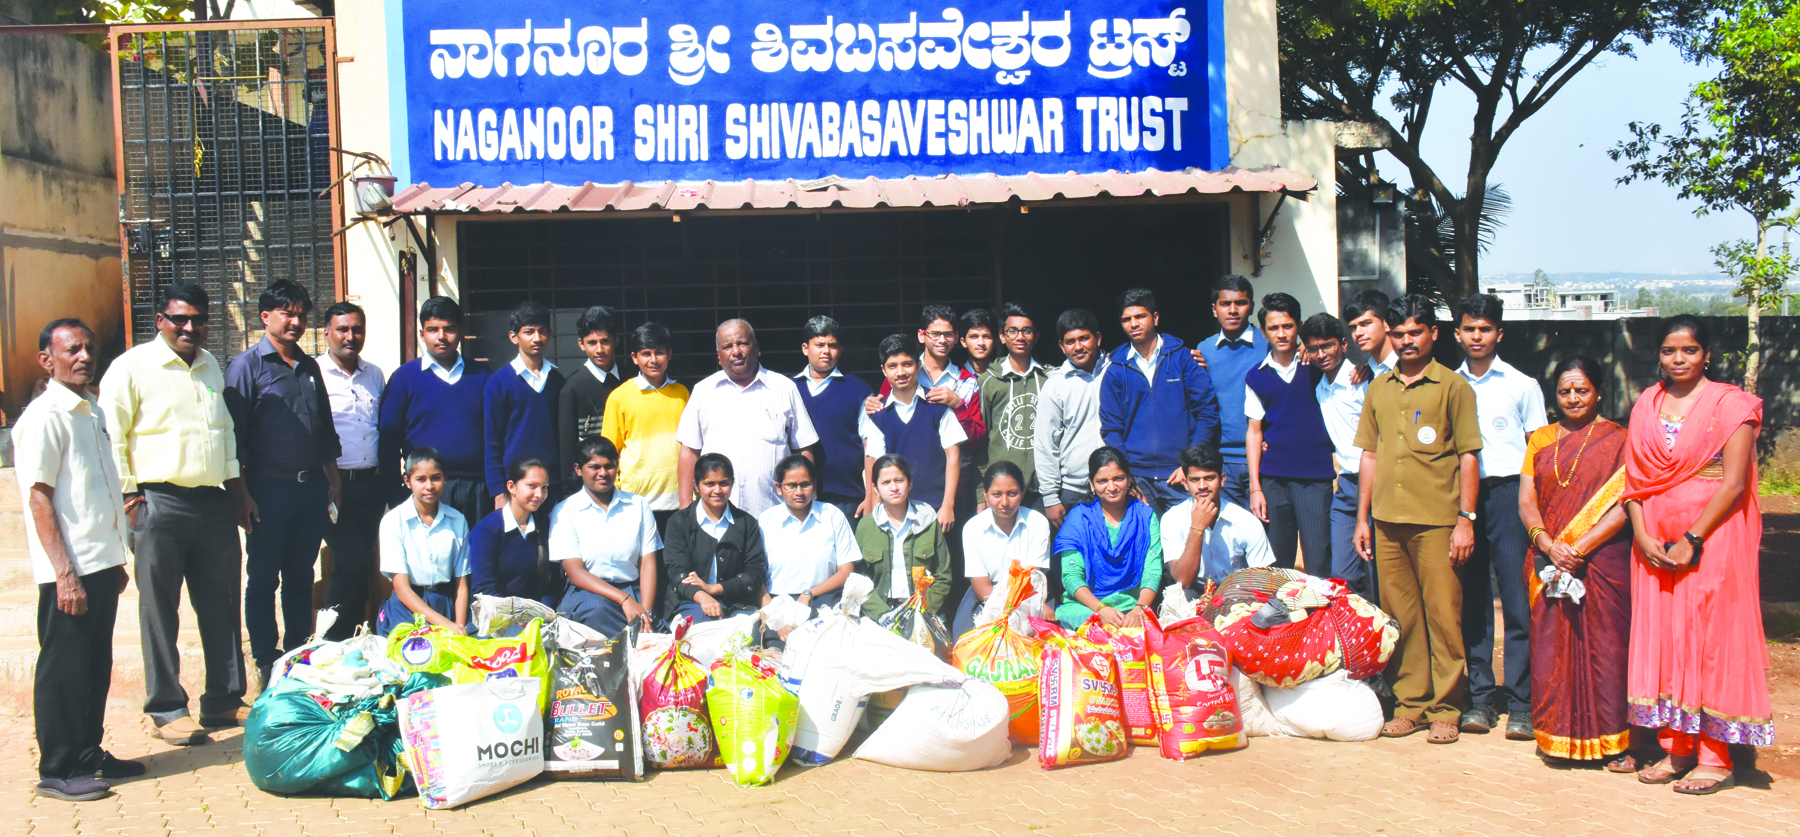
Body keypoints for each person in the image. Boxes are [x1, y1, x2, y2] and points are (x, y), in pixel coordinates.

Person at [1624, 316, 1771, 795]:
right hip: (1654, 544)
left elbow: (1733, 483)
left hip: (1712, 541)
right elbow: (1634, 481)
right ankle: (1678, 747)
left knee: (1710, 642)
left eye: (1688, 350)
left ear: (1706, 354)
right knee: (1667, 641)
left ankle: (1716, 755)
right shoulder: (1648, 403)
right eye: (1669, 351)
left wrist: (1694, 537)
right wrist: (1643, 533)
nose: (1678, 359)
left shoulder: (1732, 406)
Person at [101, 282, 252, 745]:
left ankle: (224, 699)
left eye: (199, 319)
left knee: (223, 603)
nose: (191, 327)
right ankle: (167, 708)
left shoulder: (210, 367)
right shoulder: (131, 368)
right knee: (160, 610)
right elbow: (113, 438)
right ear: (159, 321)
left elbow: (223, 434)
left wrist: (235, 490)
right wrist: (128, 499)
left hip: (213, 502)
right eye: (180, 319)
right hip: (158, 502)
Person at [19, 319, 142, 801]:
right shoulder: (44, 416)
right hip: (68, 571)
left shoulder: (91, 409)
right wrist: (64, 573)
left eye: (89, 347)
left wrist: (116, 556)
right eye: (72, 350)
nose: (84, 356)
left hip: (101, 562)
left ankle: (88, 752)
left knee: (95, 664)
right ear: (48, 360)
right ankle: (58, 767)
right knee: (64, 667)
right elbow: (39, 499)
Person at [1353, 294, 1483, 745]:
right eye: (1400, 334)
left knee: (1444, 615)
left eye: (1415, 332)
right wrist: (1362, 519)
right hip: (1387, 522)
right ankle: (1411, 704)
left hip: (1437, 522)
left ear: (1433, 334)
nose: (1407, 341)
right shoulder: (1378, 388)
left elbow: (1469, 457)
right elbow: (1369, 454)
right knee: (1401, 617)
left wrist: (1465, 519)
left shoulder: (1453, 387)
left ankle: (1447, 708)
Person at [1516, 357, 1635, 769]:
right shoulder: (1541, 439)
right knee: (1551, 649)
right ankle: (1555, 737)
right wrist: (1547, 544)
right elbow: (1527, 499)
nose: (1573, 398)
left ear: (1598, 392)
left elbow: (1626, 503)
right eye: (1565, 391)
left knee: (1607, 649)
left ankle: (1614, 741)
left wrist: (1579, 547)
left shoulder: (1621, 438)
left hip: (1603, 561)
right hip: (1549, 560)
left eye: (1582, 390)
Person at [224, 279, 343, 689]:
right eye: (286, 313)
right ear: (265, 317)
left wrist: (333, 481)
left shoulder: (309, 367)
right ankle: (264, 660)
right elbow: (234, 437)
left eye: (301, 314)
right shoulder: (246, 367)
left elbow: (324, 429)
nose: (295, 321)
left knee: (299, 576)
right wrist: (241, 494)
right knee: (262, 579)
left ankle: (296, 657)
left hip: (310, 492)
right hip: (266, 491)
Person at [1453, 293, 1548, 738]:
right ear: (1457, 334)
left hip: (1510, 494)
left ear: (1499, 334)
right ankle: (1480, 699)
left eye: (1485, 329)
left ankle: (1522, 701)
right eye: (1469, 328)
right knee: (1472, 601)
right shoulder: (1449, 385)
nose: (1477, 336)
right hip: (1462, 501)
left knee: (1516, 598)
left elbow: (1539, 450)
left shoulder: (1522, 384)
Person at [677, 319, 820, 515]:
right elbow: (689, 452)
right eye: (727, 346)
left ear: (757, 348)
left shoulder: (784, 388)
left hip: (775, 514)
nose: (736, 351)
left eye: (742, 343)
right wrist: (685, 507)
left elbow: (803, 449)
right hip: (716, 517)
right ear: (719, 356)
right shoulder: (703, 391)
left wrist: (807, 502)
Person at [1100, 288, 1220, 512]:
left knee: (1189, 542)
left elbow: (1207, 412)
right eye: (1127, 319)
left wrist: (1191, 464)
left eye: (1140, 316)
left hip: (1181, 475)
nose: (1133, 324)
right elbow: (1111, 428)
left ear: (1155, 318)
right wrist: (1127, 474)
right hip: (1138, 479)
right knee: (1147, 545)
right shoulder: (1116, 369)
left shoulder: (1182, 358)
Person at [1244, 293, 1334, 576]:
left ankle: (1320, 619)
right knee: (1278, 562)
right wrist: (1256, 487)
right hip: (1274, 481)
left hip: (1315, 478)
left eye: (1287, 326)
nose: (1281, 334)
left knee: (1318, 559)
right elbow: (1254, 432)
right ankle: (1284, 619)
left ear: (1299, 325)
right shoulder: (1256, 376)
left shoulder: (1318, 367)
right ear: (1263, 332)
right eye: (1273, 328)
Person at [380, 296, 491, 525]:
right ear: (422, 334)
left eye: (449, 329)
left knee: (477, 558)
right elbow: (388, 441)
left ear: (461, 331)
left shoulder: (482, 376)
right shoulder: (404, 378)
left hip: (479, 489)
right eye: (433, 330)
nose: (441, 337)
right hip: (426, 489)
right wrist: (395, 494)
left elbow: (498, 435)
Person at [317, 301, 385, 640]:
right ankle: (332, 640)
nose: (350, 336)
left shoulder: (374, 374)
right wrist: (330, 483)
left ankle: (359, 637)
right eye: (342, 329)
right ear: (326, 332)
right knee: (351, 561)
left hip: (370, 486)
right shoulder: (313, 373)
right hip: (333, 486)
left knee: (365, 564)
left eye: (356, 329)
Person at [1303, 312, 1379, 602]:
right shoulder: (1320, 387)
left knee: (1374, 568)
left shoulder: (1362, 381)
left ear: (1344, 345)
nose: (1322, 354)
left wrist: (1368, 368)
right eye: (1314, 348)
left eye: (1328, 346)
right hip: (1346, 483)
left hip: (1375, 480)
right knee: (1343, 572)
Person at [553, 436, 661, 637]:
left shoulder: (638, 505)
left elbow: (648, 564)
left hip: (633, 590)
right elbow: (575, 573)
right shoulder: (565, 511)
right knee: (596, 612)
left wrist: (644, 612)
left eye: (609, 466)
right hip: (587, 594)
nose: (603, 473)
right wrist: (623, 600)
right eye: (594, 467)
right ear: (578, 469)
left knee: (647, 627)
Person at [861, 335, 965, 529]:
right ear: (883, 370)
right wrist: (874, 509)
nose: (900, 372)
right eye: (892, 366)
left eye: (907, 364)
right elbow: (876, 464)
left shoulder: (938, 406)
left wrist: (947, 505)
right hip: (894, 513)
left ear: (918, 366)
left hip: (936, 510)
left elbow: (953, 456)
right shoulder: (878, 415)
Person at [1052, 447, 1162, 628]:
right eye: (1102, 481)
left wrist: (1139, 609)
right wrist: (1101, 609)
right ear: (1092, 484)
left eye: (1118, 478)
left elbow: (1153, 570)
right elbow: (1071, 576)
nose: (1111, 487)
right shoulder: (1078, 517)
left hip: (1132, 607)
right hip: (1088, 608)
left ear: (1129, 479)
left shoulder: (1145, 516)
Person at [601, 322, 690, 530]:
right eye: (646, 353)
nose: (653, 360)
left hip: (679, 501)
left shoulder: (682, 394)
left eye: (659, 353)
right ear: (634, 358)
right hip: (635, 501)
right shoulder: (619, 397)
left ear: (669, 354)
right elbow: (609, 451)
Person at [1160, 445, 1274, 600]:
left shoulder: (1246, 521)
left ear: (1222, 480)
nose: (1202, 486)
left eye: (1209, 478)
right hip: (1194, 591)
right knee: (1177, 597)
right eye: (1195, 480)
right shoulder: (1172, 518)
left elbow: (1261, 580)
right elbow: (1183, 581)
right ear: (1185, 483)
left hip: (1237, 592)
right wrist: (1197, 529)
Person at [664, 453, 768, 624]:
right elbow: (677, 573)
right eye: (709, 484)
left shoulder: (747, 523)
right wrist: (704, 597)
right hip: (690, 601)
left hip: (737, 602)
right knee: (703, 630)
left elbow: (754, 574)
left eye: (724, 483)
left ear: (732, 484)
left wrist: (715, 589)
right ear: (696, 486)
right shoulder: (679, 522)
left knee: (749, 633)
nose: (717, 490)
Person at [376, 448, 470, 635]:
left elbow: (462, 582)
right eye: (421, 479)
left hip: (445, 604)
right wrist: (448, 626)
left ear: (445, 478)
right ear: (407, 481)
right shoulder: (394, 521)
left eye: (436, 477)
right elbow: (402, 589)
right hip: (406, 609)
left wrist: (459, 626)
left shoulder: (457, 520)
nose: (429, 486)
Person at [954, 460, 1052, 637]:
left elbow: (1032, 577)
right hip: (987, 595)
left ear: (1022, 493)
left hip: (1030, 595)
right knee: (966, 642)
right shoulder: (972, 528)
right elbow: (981, 585)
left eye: (1012, 493)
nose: (1004, 502)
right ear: (985, 495)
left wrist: (1022, 611)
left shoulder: (1038, 522)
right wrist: (1005, 612)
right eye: (997, 494)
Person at [758, 454, 859, 622]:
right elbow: (755, 576)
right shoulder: (765, 520)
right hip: (776, 604)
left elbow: (846, 570)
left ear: (815, 485)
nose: (799, 492)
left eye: (805, 485)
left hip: (824, 600)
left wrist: (810, 593)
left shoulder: (832, 515)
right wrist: (773, 615)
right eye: (791, 485)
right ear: (778, 488)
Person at [1194, 275, 1267, 508]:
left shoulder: (1270, 345)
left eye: (1241, 303)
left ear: (1252, 307)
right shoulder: (1204, 350)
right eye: (1225, 304)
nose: (1233, 310)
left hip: (1264, 457)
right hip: (1221, 461)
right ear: (1215, 309)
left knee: (1267, 537)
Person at [485, 300, 565, 511]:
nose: (537, 338)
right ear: (514, 337)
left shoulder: (557, 381)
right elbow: (492, 439)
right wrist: (498, 491)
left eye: (542, 331)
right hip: (515, 487)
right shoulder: (498, 383)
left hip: (552, 485)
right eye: (529, 332)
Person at [793, 316, 874, 520]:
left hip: (848, 498)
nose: (826, 351)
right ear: (805, 348)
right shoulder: (788, 389)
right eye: (819, 345)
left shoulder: (858, 390)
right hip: (797, 495)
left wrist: (871, 496)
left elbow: (871, 446)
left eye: (832, 345)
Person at [856, 454, 952, 623]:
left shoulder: (928, 521)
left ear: (910, 483)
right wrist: (883, 615)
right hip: (880, 613)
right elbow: (860, 579)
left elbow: (943, 575)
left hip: (923, 611)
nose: (894, 487)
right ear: (876, 489)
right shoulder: (866, 527)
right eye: (886, 483)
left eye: (899, 480)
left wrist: (922, 610)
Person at [1036, 309, 1110, 527]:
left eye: (1084, 338)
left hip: (1117, 486)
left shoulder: (1115, 372)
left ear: (1097, 338)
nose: (1078, 347)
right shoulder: (1056, 384)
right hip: (1074, 491)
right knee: (1073, 559)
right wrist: (1050, 497)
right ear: (1061, 346)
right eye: (1070, 342)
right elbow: (1045, 443)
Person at [981, 302, 1048, 509]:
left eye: (1027, 331)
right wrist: (980, 493)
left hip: (1041, 489)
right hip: (1002, 490)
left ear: (1035, 336)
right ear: (1002, 336)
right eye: (1013, 331)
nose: (1020, 337)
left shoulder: (1049, 379)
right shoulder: (988, 381)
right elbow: (982, 440)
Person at [469, 457, 560, 609]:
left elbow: (554, 583)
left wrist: (542, 611)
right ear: (512, 487)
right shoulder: (486, 530)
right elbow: (484, 589)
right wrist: (517, 617)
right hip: (496, 618)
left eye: (544, 487)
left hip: (538, 616)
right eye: (532, 486)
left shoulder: (546, 527)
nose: (539, 494)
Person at [557, 305, 623, 493]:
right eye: (592, 342)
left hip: (629, 484)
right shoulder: (571, 388)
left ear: (616, 340)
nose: (600, 349)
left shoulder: (632, 380)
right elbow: (568, 451)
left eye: (605, 341)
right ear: (581, 343)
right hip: (587, 489)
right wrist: (570, 493)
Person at [1343, 289, 1398, 375]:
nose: (1358, 333)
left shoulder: (1409, 367)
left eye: (1365, 324)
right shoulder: (1364, 374)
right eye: (1353, 327)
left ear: (1387, 324)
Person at [960, 307, 999, 378]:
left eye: (986, 336)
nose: (981, 343)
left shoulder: (1003, 376)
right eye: (974, 336)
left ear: (995, 341)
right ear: (964, 342)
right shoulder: (955, 377)